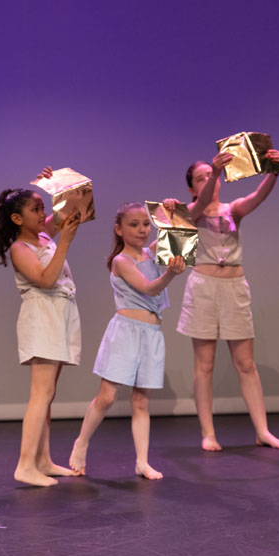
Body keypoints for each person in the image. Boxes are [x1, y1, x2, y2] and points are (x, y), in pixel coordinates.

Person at [170, 150, 279, 451]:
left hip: (234, 287)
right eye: (201, 178)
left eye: (211, 176)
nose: (209, 181)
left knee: (246, 363)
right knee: (205, 365)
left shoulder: (232, 210)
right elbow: (199, 206)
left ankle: (262, 430)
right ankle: (208, 433)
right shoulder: (190, 211)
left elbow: (257, 198)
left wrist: (273, 172)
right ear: (192, 188)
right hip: (204, 289)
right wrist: (215, 172)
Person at [69, 202, 185, 479]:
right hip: (126, 333)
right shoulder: (121, 261)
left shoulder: (152, 252)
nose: (142, 229)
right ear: (119, 230)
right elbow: (148, 288)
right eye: (134, 225)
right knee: (107, 397)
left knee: (141, 401)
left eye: (145, 224)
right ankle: (81, 443)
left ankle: (142, 462)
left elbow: (181, 232)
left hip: (151, 334)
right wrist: (170, 273)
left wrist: (173, 211)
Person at [0, 167, 84, 487]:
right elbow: (45, 279)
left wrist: (55, 184)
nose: (44, 214)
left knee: (48, 394)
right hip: (42, 318)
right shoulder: (20, 249)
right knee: (41, 393)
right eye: (36, 209)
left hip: (59, 315)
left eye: (43, 207)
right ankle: (25, 465)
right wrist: (64, 242)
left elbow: (73, 205)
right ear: (17, 219)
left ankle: (43, 460)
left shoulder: (42, 236)